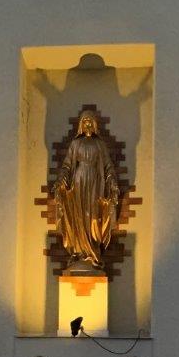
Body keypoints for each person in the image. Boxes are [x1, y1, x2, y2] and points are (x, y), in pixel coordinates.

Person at [52, 108, 120, 270]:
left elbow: (108, 166)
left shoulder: (99, 144)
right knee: (79, 215)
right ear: (81, 125)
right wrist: (61, 180)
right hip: (79, 181)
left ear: (94, 124)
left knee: (93, 216)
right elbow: (67, 165)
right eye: (85, 122)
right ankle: (78, 251)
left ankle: (93, 250)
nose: (88, 125)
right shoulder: (76, 144)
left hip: (95, 183)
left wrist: (112, 182)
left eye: (90, 122)